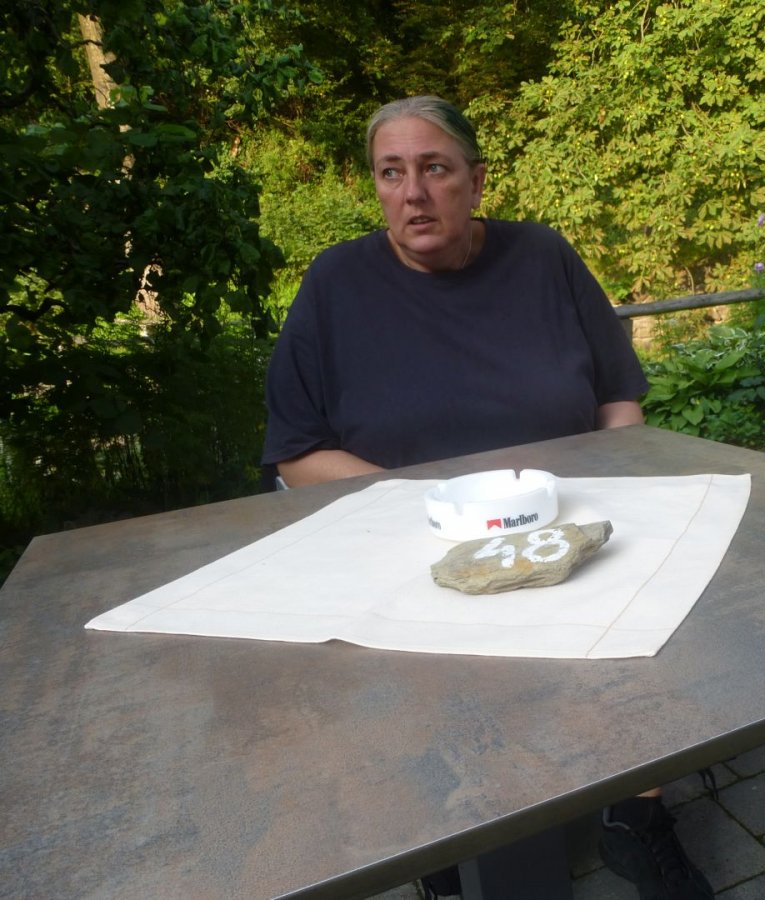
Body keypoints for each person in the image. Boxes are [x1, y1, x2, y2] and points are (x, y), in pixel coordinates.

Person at [262, 96, 713, 900]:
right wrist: (437, 510)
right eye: (390, 173)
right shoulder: (336, 284)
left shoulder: (543, 257)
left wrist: (618, 498)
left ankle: (634, 812)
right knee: (460, 765)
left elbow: (618, 400)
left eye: (434, 168)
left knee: (647, 618)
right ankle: (446, 842)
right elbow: (296, 454)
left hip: (565, 530)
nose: (413, 193)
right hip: (413, 549)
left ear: (475, 180)